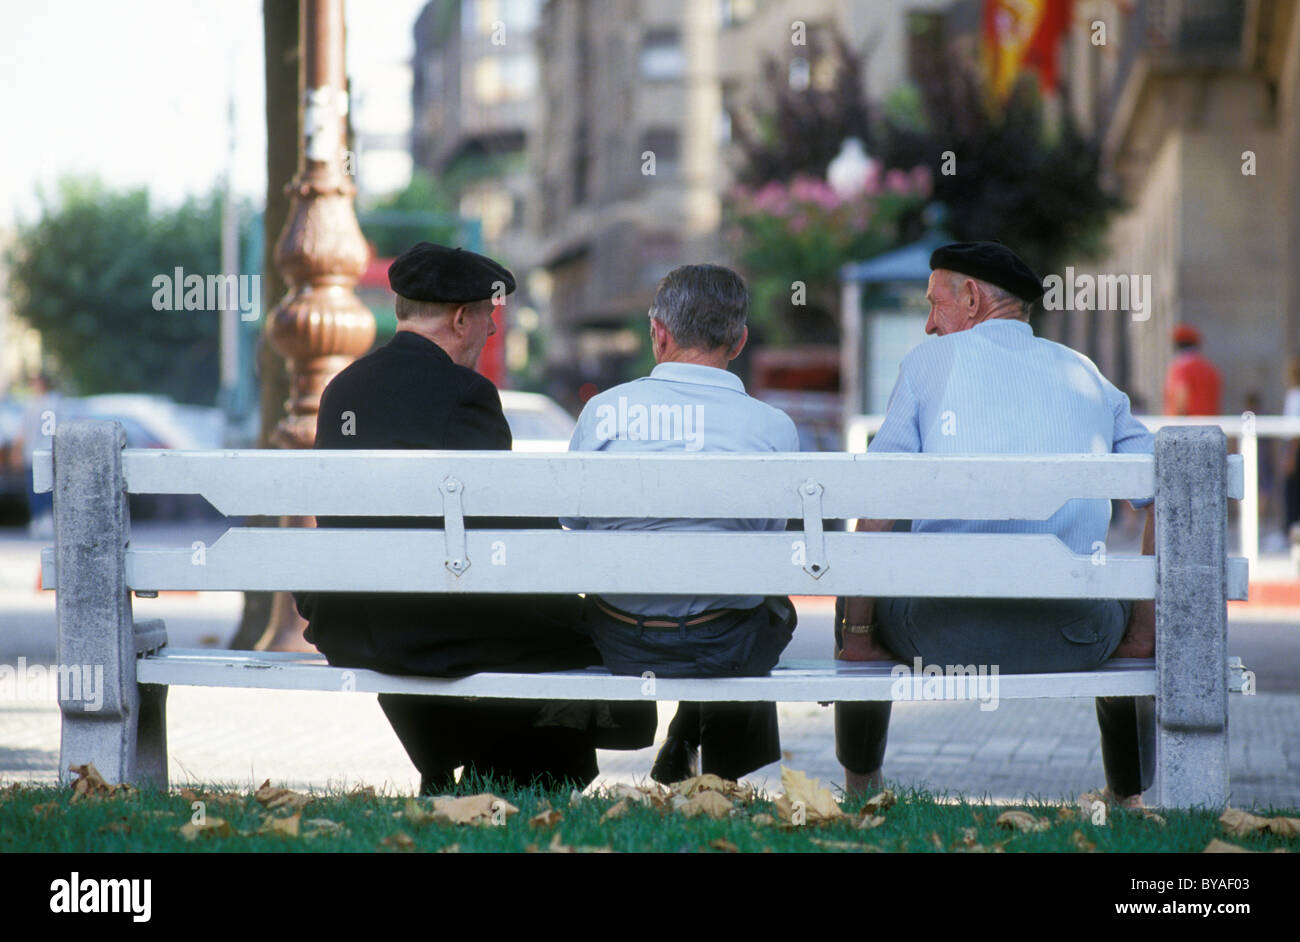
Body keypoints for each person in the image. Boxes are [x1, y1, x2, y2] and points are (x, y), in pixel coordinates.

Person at [294, 241, 652, 794]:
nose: (490, 331)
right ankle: (522, 780)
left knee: (520, 625)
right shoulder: (466, 394)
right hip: (427, 626)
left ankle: (450, 769)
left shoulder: (344, 388)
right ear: (461, 318)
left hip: (351, 622)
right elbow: (502, 527)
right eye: (488, 316)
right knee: (576, 633)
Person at [835, 241, 1157, 806]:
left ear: (972, 297)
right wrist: (1140, 637)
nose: (931, 326)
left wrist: (859, 640)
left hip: (939, 636)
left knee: (862, 572)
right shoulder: (1088, 375)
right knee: (1113, 585)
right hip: (1078, 637)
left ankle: (862, 786)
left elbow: (879, 503)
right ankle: (1127, 797)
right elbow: (1167, 496)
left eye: (935, 306)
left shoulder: (925, 365)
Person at [562, 264, 801, 783]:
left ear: (658, 333)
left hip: (620, 640)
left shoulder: (603, 412)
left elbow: (572, 521)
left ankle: (686, 742)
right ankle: (715, 765)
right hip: (724, 644)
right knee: (772, 610)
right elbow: (767, 538)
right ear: (738, 341)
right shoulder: (773, 428)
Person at [1163, 324, 1221, 416]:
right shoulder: (1209, 367)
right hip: (1210, 423)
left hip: (1188, 424)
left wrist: (1177, 423)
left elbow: (1181, 395)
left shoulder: (1181, 366)